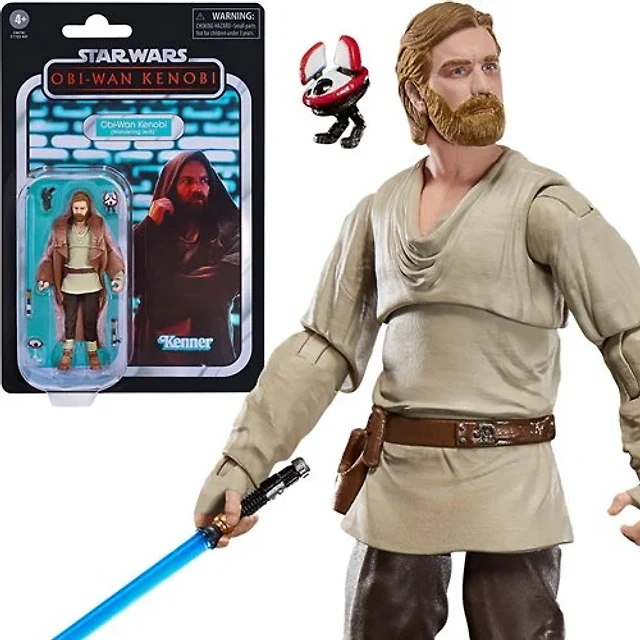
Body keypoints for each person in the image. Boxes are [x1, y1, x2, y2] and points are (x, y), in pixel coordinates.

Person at [194, 3, 640, 638]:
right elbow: (320, 350)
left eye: (490, 65)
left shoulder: (546, 207)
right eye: (458, 70)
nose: (482, 83)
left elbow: (630, 334)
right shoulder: (379, 212)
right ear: (416, 93)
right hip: (399, 477)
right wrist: (240, 466)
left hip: (511, 483)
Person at [133, 151, 241, 366]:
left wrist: (156, 291)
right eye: (187, 181)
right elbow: (129, 282)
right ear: (171, 187)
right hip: (152, 355)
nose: (198, 189)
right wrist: (150, 227)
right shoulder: (149, 232)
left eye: (204, 181)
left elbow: (219, 288)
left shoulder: (230, 234)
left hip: (211, 355)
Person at [36, 190, 125, 371]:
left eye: (82, 208)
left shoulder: (98, 227)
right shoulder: (61, 229)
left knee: (90, 321)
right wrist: (44, 277)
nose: (79, 211)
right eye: (76, 208)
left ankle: (93, 354)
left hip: (91, 282)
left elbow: (110, 252)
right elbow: (50, 255)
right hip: (70, 282)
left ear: (88, 208)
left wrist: (117, 275)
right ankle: (67, 353)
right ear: (71, 208)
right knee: (69, 321)